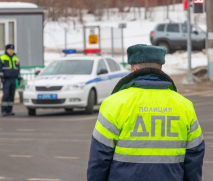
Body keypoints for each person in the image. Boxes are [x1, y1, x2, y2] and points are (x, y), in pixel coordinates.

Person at [87, 44, 205, 181]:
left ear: (134, 69)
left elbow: (99, 157)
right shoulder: (185, 106)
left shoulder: (114, 104)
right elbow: (195, 155)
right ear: (160, 68)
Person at [0, 44, 22, 116]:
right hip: (6, 79)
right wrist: (1, 77)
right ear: (6, 50)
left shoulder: (16, 59)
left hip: (13, 79)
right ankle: (4, 110)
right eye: (9, 50)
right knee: (6, 94)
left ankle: (9, 110)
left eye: (12, 50)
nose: (11, 51)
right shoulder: (2, 58)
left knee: (11, 95)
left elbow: (18, 70)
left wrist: (19, 78)